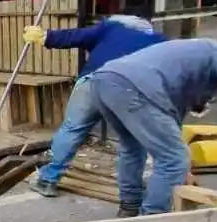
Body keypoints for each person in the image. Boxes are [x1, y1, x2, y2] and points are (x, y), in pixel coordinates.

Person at [89, 37, 217, 217]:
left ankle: (129, 207)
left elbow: (171, 119)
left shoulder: (192, 62)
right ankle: (152, 220)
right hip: (135, 86)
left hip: (103, 81)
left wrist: (184, 172)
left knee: (133, 147)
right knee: (173, 158)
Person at [23, 15, 166, 197]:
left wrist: (46, 37)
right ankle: (131, 191)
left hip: (93, 80)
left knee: (72, 129)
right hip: (129, 87)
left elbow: (77, 35)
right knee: (133, 139)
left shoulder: (111, 27)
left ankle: (47, 180)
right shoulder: (158, 40)